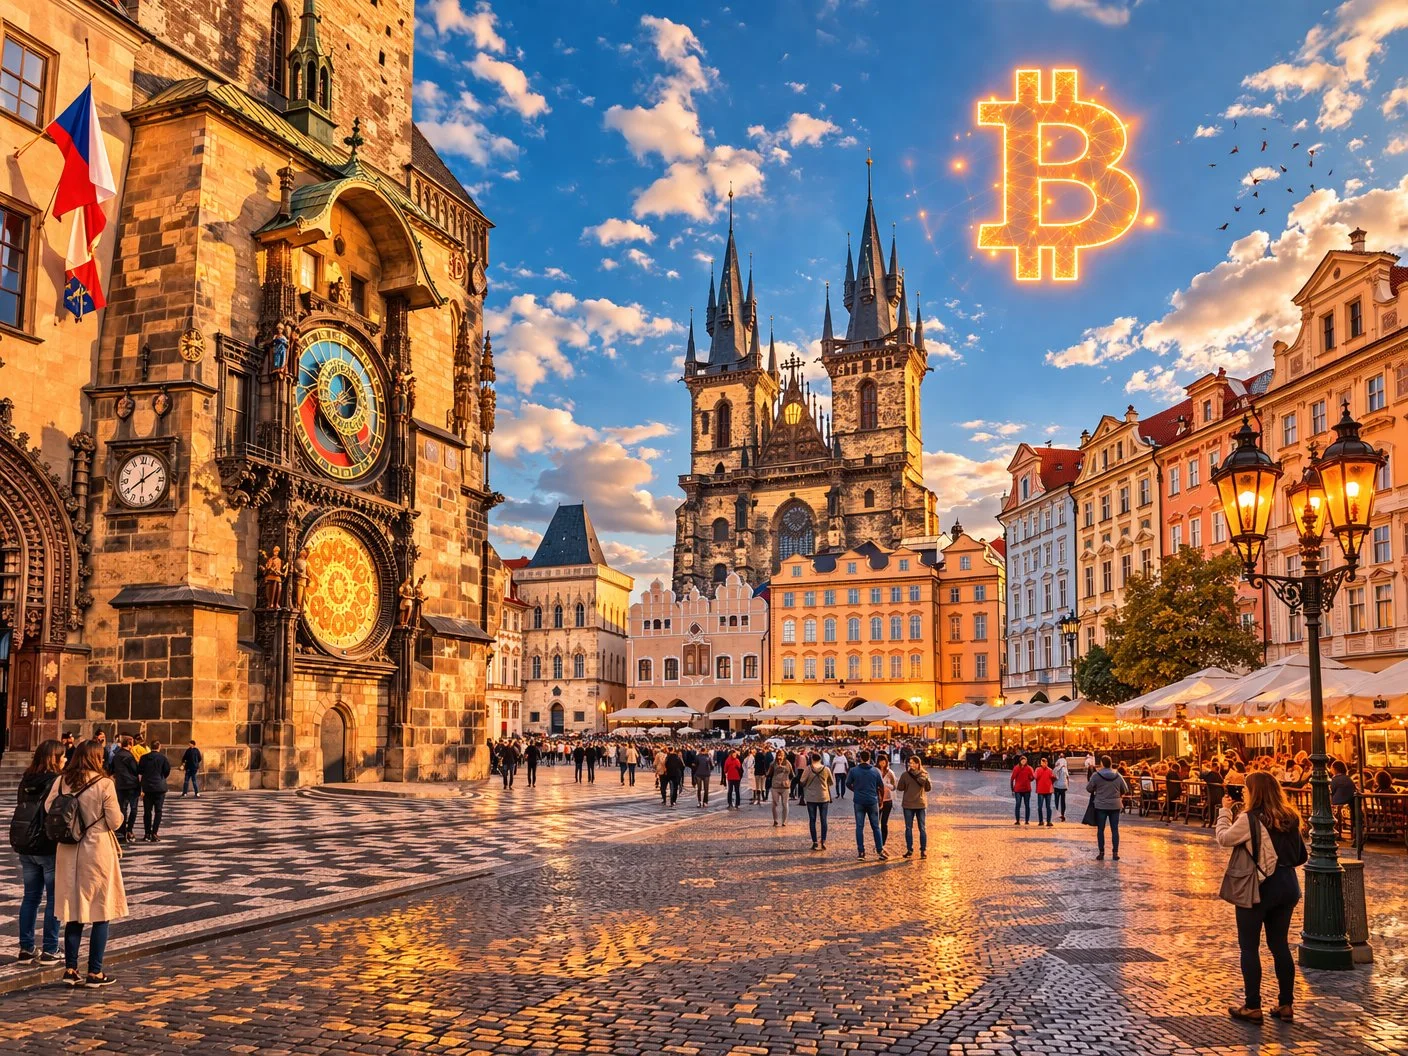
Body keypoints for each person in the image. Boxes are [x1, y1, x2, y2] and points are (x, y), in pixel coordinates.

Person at [1216, 771, 1307, 1024]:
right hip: (1287, 885)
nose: (1243, 793)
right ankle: (1286, 1004)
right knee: (1279, 946)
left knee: (1249, 946)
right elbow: (1301, 855)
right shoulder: (1290, 817)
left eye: (1246, 789)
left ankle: (1252, 1005)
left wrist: (1223, 812)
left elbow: (1224, 838)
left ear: (1254, 792)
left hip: (1259, 887)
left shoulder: (1249, 818)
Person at [46, 740, 128, 987]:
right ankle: (95, 972)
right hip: (96, 850)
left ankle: (70, 969)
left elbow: (49, 807)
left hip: (68, 849)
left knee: (74, 912)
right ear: (96, 758)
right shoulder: (105, 784)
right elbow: (115, 821)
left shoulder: (61, 781)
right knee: (101, 911)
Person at [12, 740, 64, 964]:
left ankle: (26, 948)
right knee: (54, 898)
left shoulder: (26, 779)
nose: (66, 759)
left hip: (26, 843)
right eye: (62, 756)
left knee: (31, 897)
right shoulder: (57, 781)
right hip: (47, 845)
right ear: (54, 758)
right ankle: (51, 949)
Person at [1087, 755, 1130, 861]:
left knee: (1100, 829)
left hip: (1101, 805)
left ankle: (1101, 853)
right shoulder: (1118, 775)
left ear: (1102, 763)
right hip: (1115, 805)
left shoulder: (1096, 775)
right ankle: (1115, 853)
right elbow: (1125, 789)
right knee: (1115, 829)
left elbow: (1089, 788)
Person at [846, 750, 886, 860]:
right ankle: (880, 850)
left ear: (860, 758)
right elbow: (881, 787)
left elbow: (848, 783)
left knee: (859, 827)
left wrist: (855, 790)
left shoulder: (854, 771)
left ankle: (861, 852)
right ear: (869, 758)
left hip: (859, 801)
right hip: (872, 800)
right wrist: (881, 800)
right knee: (876, 827)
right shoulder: (875, 771)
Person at [895, 755, 932, 859]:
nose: (910, 764)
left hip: (912, 804)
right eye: (909, 763)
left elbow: (900, 788)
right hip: (917, 803)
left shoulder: (907, 775)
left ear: (917, 763)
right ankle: (918, 850)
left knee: (912, 828)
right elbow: (928, 789)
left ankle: (915, 850)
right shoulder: (924, 774)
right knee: (917, 828)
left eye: (912, 763)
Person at [136, 741, 171, 842]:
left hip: (147, 787)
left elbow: (140, 771)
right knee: (158, 811)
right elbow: (167, 771)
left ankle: (147, 833)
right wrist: (161, 778)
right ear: (159, 747)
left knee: (147, 811)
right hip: (159, 787)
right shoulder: (163, 758)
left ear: (151, 747)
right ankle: (154, 833)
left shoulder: (143, 758)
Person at [108, 737, 140, 844]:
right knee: (134, 808)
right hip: (132, 785)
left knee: (122, 808)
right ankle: (129, 830)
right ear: (130, 744)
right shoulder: (129, 756)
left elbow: (111, 769)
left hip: (120, 785)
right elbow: (135, 770)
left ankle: (122, 831)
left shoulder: (116, 756)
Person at [799, 752, 833, 851]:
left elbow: (802, 781)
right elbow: (830, 782)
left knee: (812, 820)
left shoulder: (808, 769)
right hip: (823, 796)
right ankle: (823, 841)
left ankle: (814, 842)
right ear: (820, 759)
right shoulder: (826, 769)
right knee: (824, 820)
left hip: (811, 797)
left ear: (812, 759)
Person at [767, 750, 794, 827]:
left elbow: (792, 774)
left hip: (785, 786)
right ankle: (775, 820)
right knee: (775, 803)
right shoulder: (773, 763)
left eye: (781, 755)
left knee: (785, 804)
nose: (780, 756)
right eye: (779, 754)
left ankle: (784, 821)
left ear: (784, 755)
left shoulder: (788, 763)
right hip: (775, 786)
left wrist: (789, 782)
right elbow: (768, 774)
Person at [876, 754, 897, 847]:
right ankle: (878, 842)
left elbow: (894, 787)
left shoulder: (890, 773)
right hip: (877, 800)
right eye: (880, 761)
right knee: (876, 823)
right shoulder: (875, 771)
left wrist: (886, 785)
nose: (882, 763)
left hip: (887, 800)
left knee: (884, 823)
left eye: (883, 761)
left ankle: (882, 843)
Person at [1328, 760, 1355, 830]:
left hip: (1337, 803)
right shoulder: (1348, 778)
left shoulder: (1335, 779)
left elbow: (1331, 790)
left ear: (1335, 769)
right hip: (1350, 802)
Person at [1010, 754, 1035, 827]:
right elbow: (1012, 779)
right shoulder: (1016, 768)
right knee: (1018, 804)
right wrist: (1012, 789)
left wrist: (1030, 778)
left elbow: (1032, 777)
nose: (1023, 762)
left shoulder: (1029, 768)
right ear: (1020, 761)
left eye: (1025, 760)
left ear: (1026, 761)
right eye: (1022, 760)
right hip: (1018, 789)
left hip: (1027, 789)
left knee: (1027, 805)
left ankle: (1027, 820)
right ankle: (1017, 820)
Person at [1034, 757, 1055, 827]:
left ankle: (1048, 821)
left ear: (1047, 763)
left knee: (1048, 807)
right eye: (1042, 763)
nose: (1043, 764)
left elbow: (1053, 778)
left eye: (1044, 763)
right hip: (1040, 790)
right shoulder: (1038, 770)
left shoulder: (1050, 770)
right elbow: (1035, 777)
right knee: (1040, 807)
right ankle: (1041, 821)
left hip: (1048, 791)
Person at [1052, 753, 1070, 822]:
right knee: (1063, 801)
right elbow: (1068, 777)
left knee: (1056, 800)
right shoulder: (1065, 768)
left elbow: (1053, 776)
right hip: (1064, 786)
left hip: (1057, 786)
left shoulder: (1056, 768)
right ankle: (1062, 814)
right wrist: (1067, 785)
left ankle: (1056, 813)